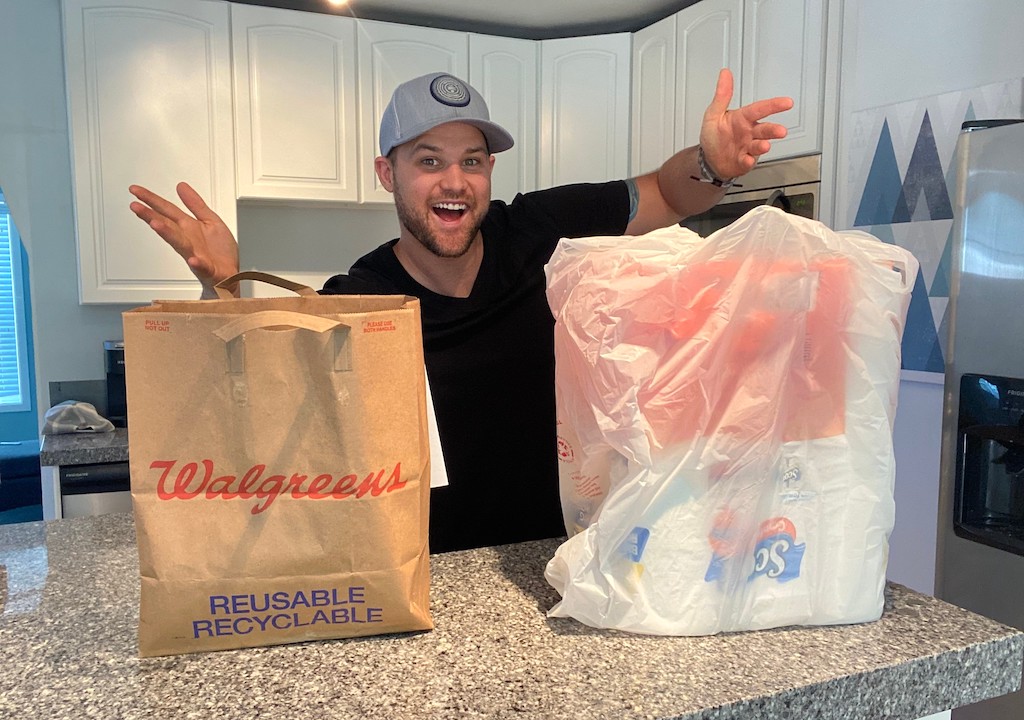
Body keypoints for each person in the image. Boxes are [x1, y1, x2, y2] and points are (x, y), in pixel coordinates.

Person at [129, 69, 793, 553]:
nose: (454, 180)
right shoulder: (360, 300)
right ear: (388, 175)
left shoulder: (535, 230)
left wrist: (710, 163)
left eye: (471, 160)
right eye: (429, 160)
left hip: (563, 556)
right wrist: (223, 286)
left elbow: (661, 195)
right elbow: (249, 416)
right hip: (432, 576)